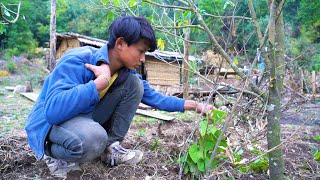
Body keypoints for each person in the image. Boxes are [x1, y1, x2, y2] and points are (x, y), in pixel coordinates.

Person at [25, 15, 214, 178]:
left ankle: (110, 147)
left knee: (135, 85)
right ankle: (54, 154)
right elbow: (53, 111)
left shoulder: (125, 73)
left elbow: (156, 98)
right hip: (51, 125)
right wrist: (98, 84)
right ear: (121, 44)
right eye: (140, 51)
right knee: (93, 138)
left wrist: (195, 106)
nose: (142, 59)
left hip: (81, 118)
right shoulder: (79, 59)